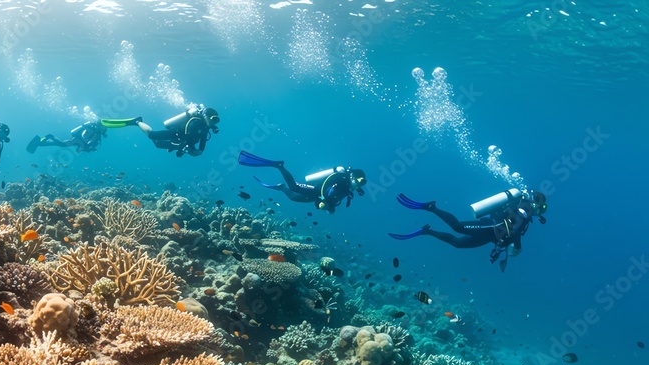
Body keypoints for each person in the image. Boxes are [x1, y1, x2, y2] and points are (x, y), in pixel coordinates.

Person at [389, 188, 547, 271]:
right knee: (457, 227)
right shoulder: (526, 208)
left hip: (490, 235)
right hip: (491, 226)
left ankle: (427, 231)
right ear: (537, 203)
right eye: (542, 208)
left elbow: (514, 230)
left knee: (457, 243)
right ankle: (431, 207)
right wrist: (518, 246)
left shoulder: (526, 210)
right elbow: (515, 230)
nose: (540, 212)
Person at [238, 151, 367, 213]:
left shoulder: (348, 190)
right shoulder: (342, 178)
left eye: (362, 184)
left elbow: (333, 198)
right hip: (316, 190)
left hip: (316, 197)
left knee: (293, 197)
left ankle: (281, 187)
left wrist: (329, 207)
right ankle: (279, 166)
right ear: (353, 177)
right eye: (360, 181)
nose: (360, 185)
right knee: (293, 187)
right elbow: (327, 190)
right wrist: (324, 201)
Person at [136, 104, 219, 157]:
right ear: (206, 116)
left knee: (158, 145)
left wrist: (200, 151)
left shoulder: (205, 128)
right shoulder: (195, 122)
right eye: (213, 119)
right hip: (174, 134)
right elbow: (187, 137)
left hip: (180, 142)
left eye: (216, 121)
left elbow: (203, 141)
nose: (214, 123)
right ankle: (137, 121)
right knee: (152, 135)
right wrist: (184, 150)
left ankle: (137, 122)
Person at [26, 120, 109, 154]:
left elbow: (89, 142)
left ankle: (41, 142)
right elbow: (84, 137)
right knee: (61, 144)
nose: (105, 130)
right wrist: (82, 147)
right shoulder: (92, 130)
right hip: (76, 140)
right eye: (105, 128)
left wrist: (84, 147)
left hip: (77, 141)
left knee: (60, 144)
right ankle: (49, 136)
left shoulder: (96, 134)